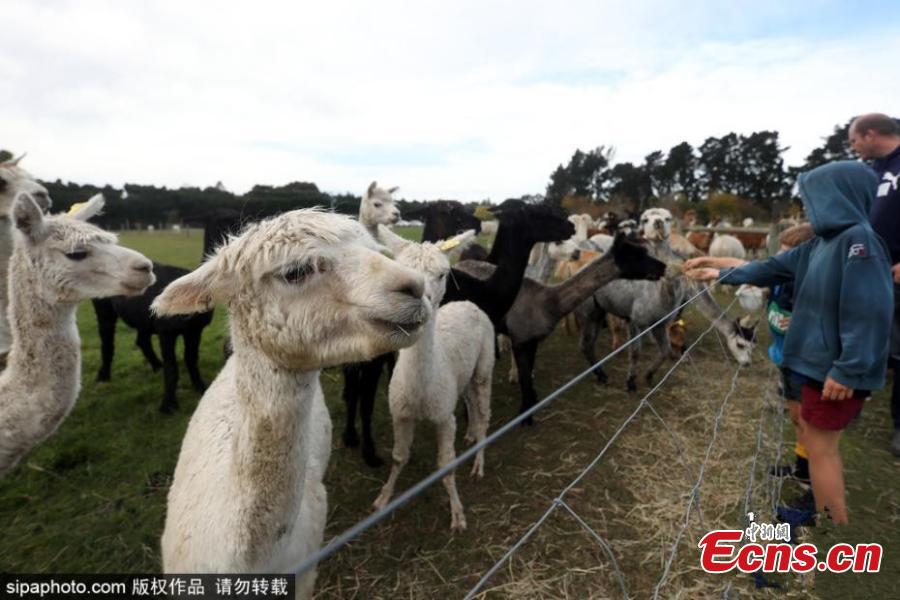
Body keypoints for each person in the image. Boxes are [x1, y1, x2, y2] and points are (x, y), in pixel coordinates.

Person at [686, 161, 892, 525]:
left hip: (834, 370)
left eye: (816, 199)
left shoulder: (859, 243)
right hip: (816, 363)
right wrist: (720, 273)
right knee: (813, 441)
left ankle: (829, 525)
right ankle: (820, 512)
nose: (810, 208)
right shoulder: (819, 244)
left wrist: (849, 369)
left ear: (839, 197)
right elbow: (769, 268)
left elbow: (869, 310)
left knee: (822, 449)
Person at [686, 223, 816, 486]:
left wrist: (803, 319)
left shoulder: (809, 284)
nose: (780, 258)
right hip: (785, 358)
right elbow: (743, 263)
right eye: (780, 251)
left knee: (809, 422)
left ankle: (813, 482)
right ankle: (802, 468)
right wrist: (709, 261)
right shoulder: (779, 274)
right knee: (797, 417)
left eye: (787, 253)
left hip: (805, 361)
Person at [848, 113, 900, 456]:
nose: (853, 147)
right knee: (863, 337)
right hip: (870, 269)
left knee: (899, 346)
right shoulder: (874, 171)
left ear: (870, 134)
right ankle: (851, 401)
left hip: (897, 272)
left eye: (854, 140)